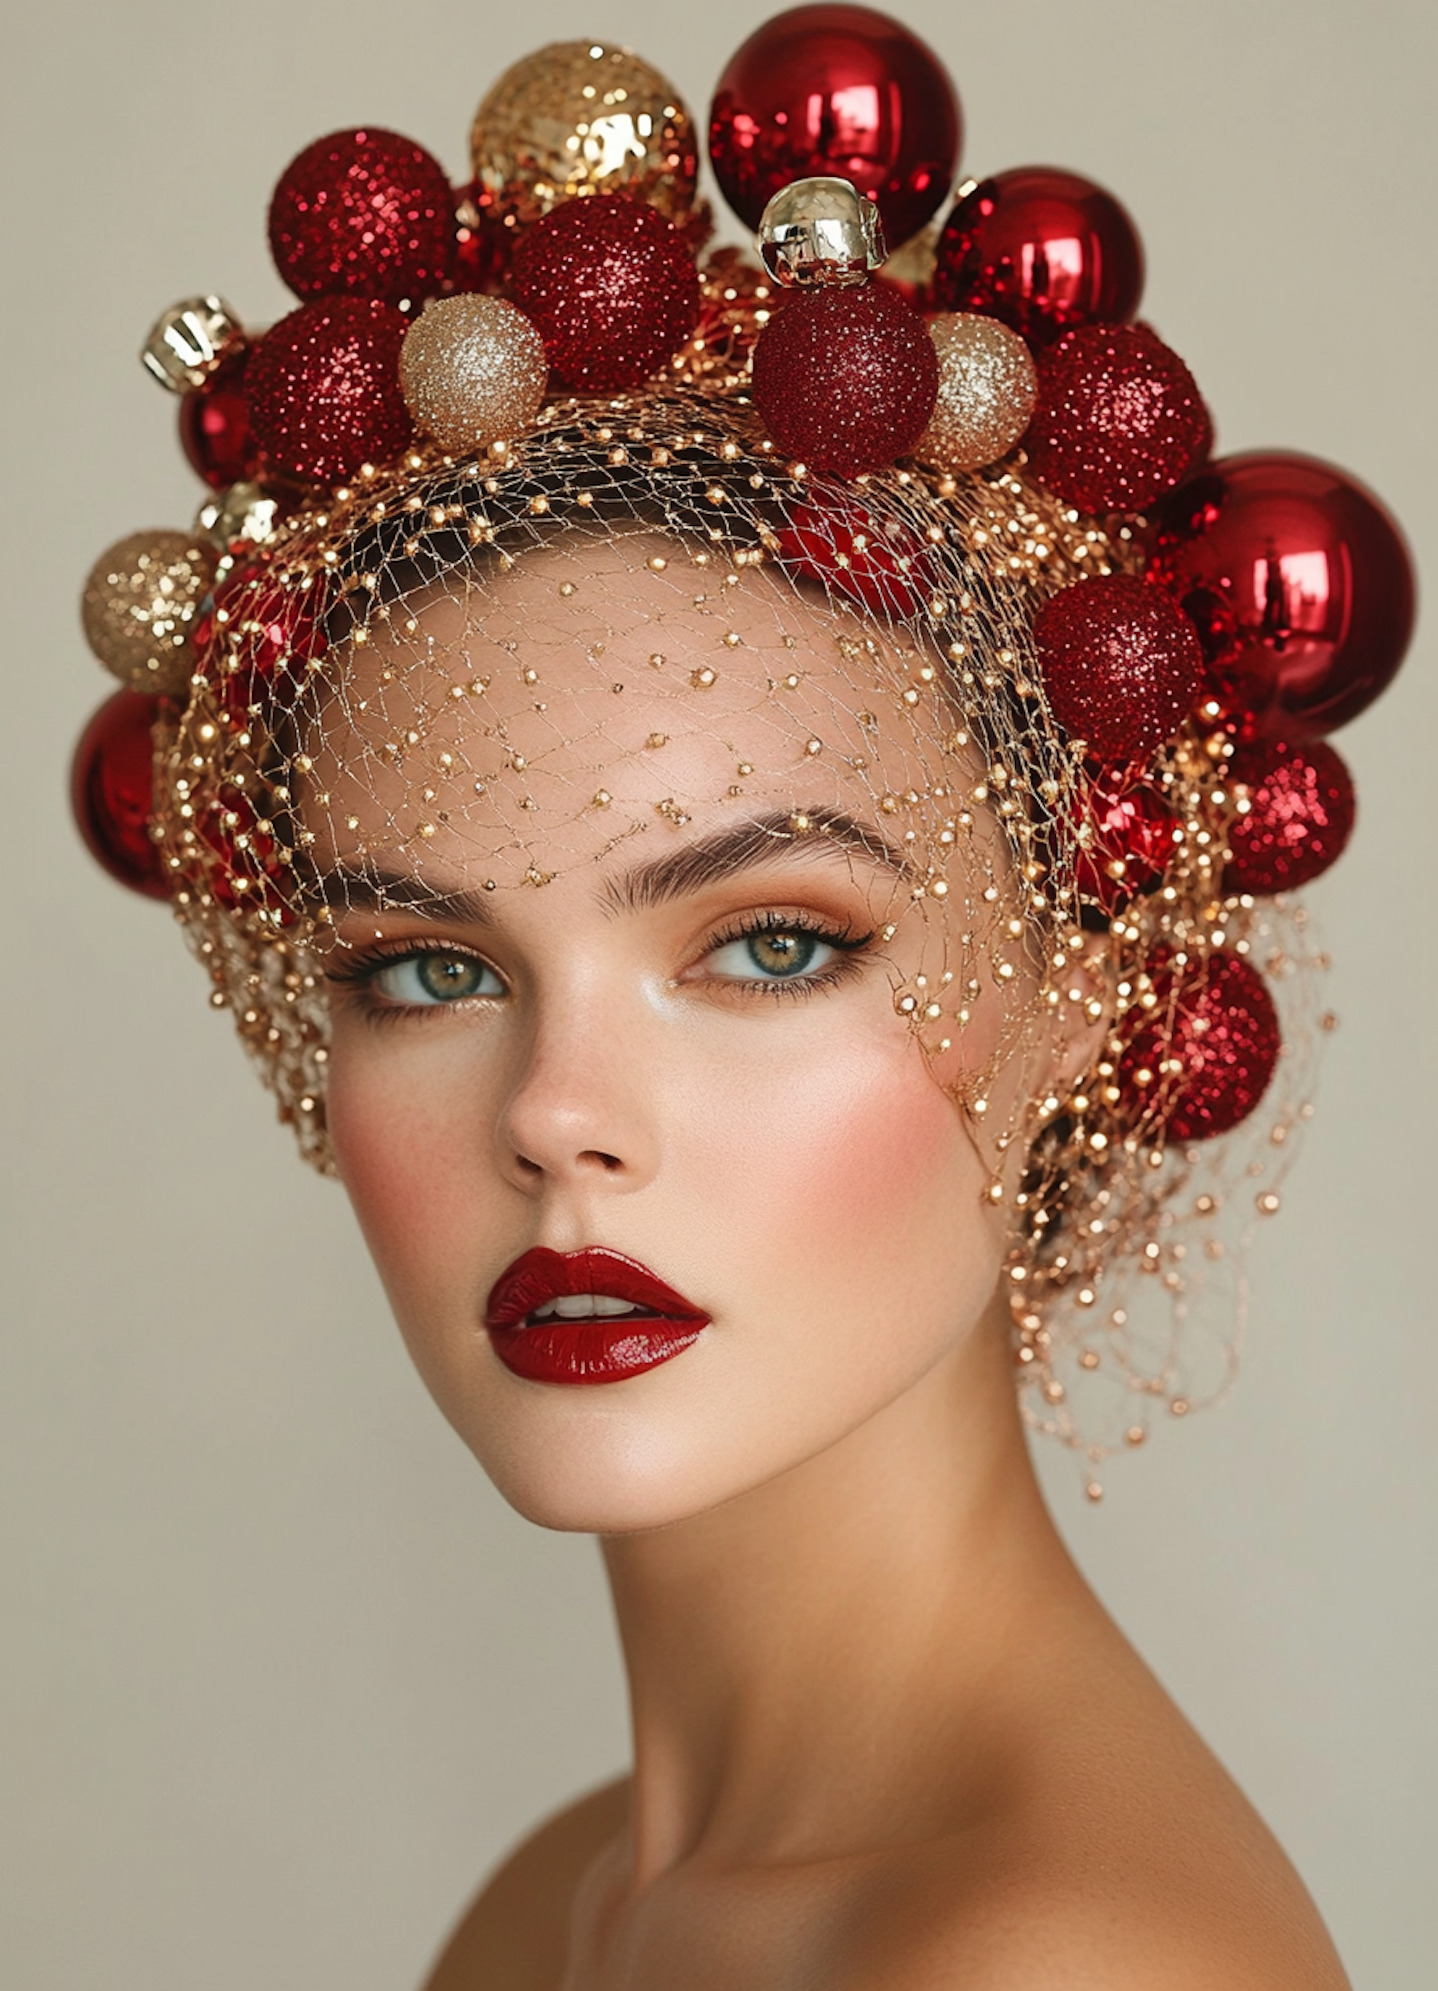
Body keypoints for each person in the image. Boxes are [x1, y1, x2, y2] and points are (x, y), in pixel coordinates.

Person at [71, 13, 1411, 1985]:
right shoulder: (566, 1907)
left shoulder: (1055, 1957)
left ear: (1091, 993)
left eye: (773, 940)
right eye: (424, 967)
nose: (553, 1107)